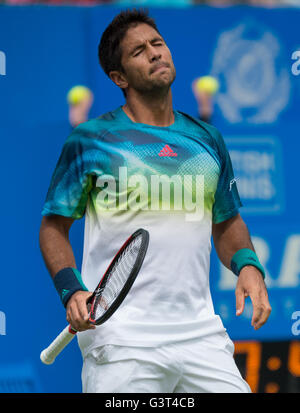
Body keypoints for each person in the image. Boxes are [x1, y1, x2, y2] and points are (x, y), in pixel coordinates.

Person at [39, 9, 271, 393]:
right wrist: (71, 289)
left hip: (201, 336)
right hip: (121, 341)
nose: (154, 53)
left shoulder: (207, 140)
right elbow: (53, 227)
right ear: (119, 77)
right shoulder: (91, 141)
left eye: (157, 43)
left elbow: (226, 222)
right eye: (138, 51)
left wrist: (247, 265)